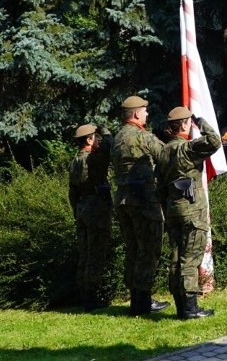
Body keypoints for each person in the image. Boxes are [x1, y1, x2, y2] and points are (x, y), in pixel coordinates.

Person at [157, 106, 222, 319]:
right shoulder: (187, 149)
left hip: (173, 209)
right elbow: (214, 140)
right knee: (190, 259)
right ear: (185, 125)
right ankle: (190, 309)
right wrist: (200, 121)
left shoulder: (164, 151)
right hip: (192, 211)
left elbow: (159, 187)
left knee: (176, 257)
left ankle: (180, 305)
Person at [111, 95, 170, 315]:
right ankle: (143, 301)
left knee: (133, 249)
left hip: (124, 201)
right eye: (145, 111)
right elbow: (166, 156)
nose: (147, 114)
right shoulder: (142, 136)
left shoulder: (117, 138)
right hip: (144, 201)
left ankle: (136, 298)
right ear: (136, 113)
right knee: (149, 249)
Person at [68, 123, 113, 311]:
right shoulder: (92, 159)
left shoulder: (75, 161)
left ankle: (84, 295)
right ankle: (91, 298)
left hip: (82, 207)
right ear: (88, 139)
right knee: (95, 254)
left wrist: (76, 210)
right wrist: (105, 130)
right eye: (95, 137)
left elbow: (72, 192)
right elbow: (110, 146)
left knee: (85, 253)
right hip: (96, 208)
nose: (98, 140)